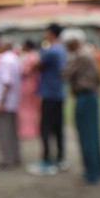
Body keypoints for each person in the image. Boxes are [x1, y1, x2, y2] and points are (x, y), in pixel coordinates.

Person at [60, 28, 100, 184]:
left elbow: (65, 74)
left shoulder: (80, 56)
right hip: (90, 96)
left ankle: (91, 173)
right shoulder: (88, 53)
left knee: (87, 136)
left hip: (84, 97)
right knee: (92, 135)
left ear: (73, 43)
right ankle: (97, 170)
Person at [28, 23, 67, 176]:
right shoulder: (61, 49)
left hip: (49, 94)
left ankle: (46, 161)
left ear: (50, 33)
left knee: (45, 128)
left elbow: (35, 65)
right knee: (58, 128)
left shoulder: (51, 50)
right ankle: (60, 159)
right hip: (58, 93)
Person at [0, 38, 21, 169]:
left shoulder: (4, 60)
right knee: (12, 131)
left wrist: (1, 101)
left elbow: (6, 82)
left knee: (4, 132)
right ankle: (15, 157)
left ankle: (7, 160)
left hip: (4, 103)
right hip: (11, 102)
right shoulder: (13, 58)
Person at [18, 39, 41, 140]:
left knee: (25, 108)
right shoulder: (35, 56)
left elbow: (25, 71)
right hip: (34, 85)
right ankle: (34, 129)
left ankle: (27, 130)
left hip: (27, 85)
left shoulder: (29, 57)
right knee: (33, 108)